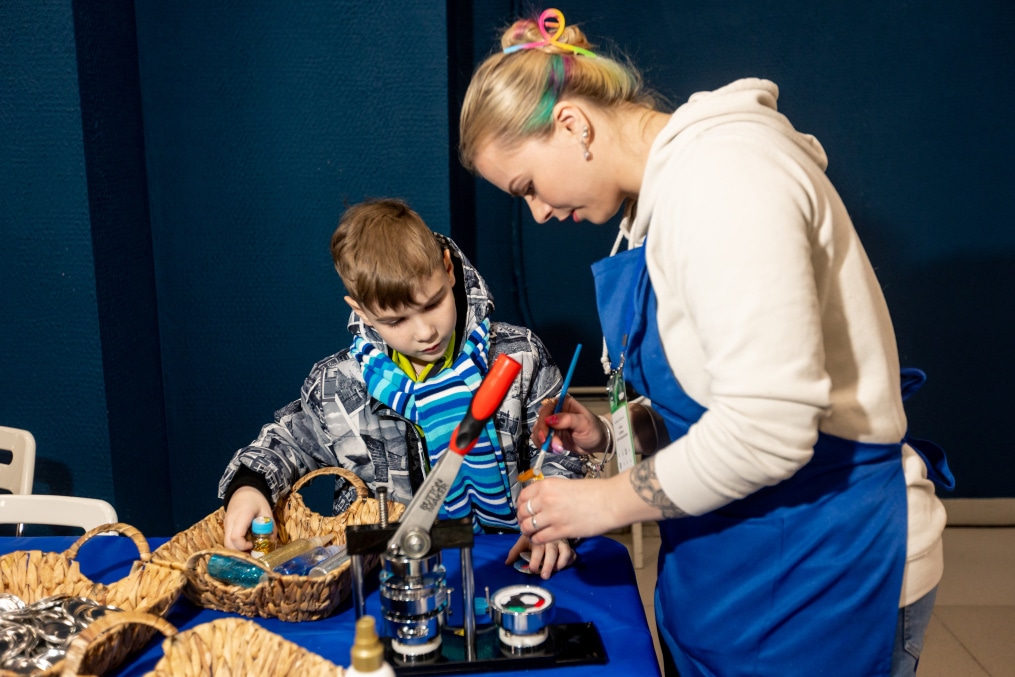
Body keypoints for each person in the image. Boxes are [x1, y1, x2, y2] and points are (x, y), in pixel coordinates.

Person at [459, 8, 953, 676]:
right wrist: (610, 434)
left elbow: (768, 427)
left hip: (825, 571)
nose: (539, 212)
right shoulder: (651, 207)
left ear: (572, 126)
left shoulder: (725, 181)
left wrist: (599, 501)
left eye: (527, 188)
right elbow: (708, 395)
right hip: (733, 572)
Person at [218, 198, 585, 578]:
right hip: (391, 577)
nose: (425, 332)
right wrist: (250, 487)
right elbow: (286, 443)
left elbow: (562, 452)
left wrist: (555, 522)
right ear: (360, 310)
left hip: (517, 561)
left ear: (448, 269)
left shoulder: (520, 357)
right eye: (396, 320)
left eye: (433, 303)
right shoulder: (338, 385)